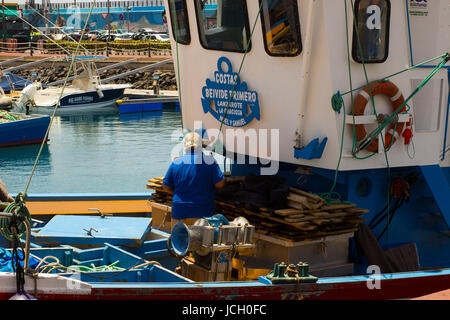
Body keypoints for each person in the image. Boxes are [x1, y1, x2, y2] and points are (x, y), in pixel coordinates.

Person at [163, 132, 225, 229]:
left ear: (184, 146)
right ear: (201, 145)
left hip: (180, 211)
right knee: (202, 242)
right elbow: (220, 184)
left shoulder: (176, 163)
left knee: (180, 242)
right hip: (203, 211)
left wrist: (177, 194)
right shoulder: (210, 161)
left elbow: (166, 186)